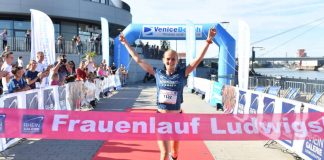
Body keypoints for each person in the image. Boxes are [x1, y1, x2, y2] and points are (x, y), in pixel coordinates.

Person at [119, 27, 217, 160]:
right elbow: (138, 60)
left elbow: (198, 59)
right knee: (164, 153)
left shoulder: (182, 73)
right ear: (164, 60)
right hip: (161, 118)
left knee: (175, 152)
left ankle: (174, 156)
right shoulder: (158, 73)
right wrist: (125, 43)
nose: (170, 62)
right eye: (168, 59)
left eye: (173, 59)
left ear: (177, 61)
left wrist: (208, 40)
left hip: (177, 118)